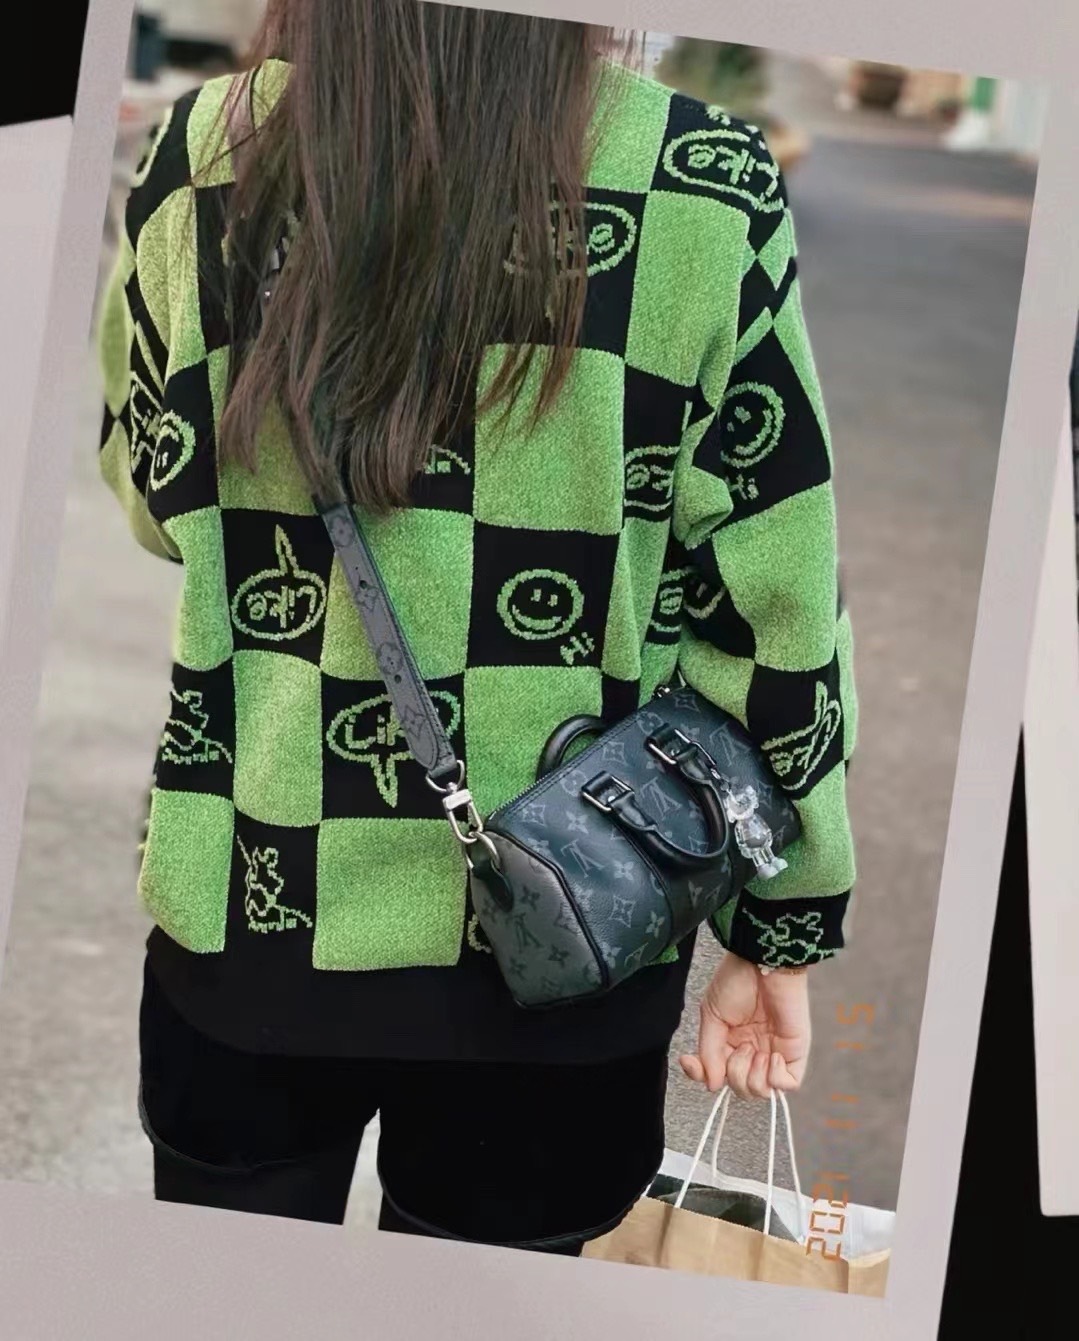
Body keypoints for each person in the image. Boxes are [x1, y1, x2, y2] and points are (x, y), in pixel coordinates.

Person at [97, 1, 857, 1256]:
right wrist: (782, 925)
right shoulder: (701, 178)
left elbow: (154, 497)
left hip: (253, 904)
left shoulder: (205, 153)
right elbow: (775, 601)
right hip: (577, 933)